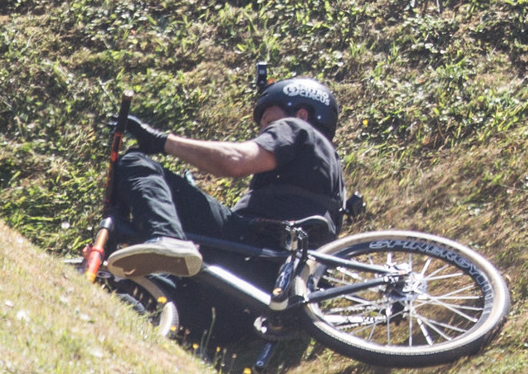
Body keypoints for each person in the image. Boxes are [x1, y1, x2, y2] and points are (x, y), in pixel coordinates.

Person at [104, 77, 348, 279]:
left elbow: (234, 161)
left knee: (134, 162)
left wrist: (160, 141)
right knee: (133, 288)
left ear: (302, 115)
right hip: (267, 282)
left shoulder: (297, 129)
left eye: (270, 123)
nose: (265, 132)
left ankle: (167, 238)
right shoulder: (329, 176)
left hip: (252, 248)